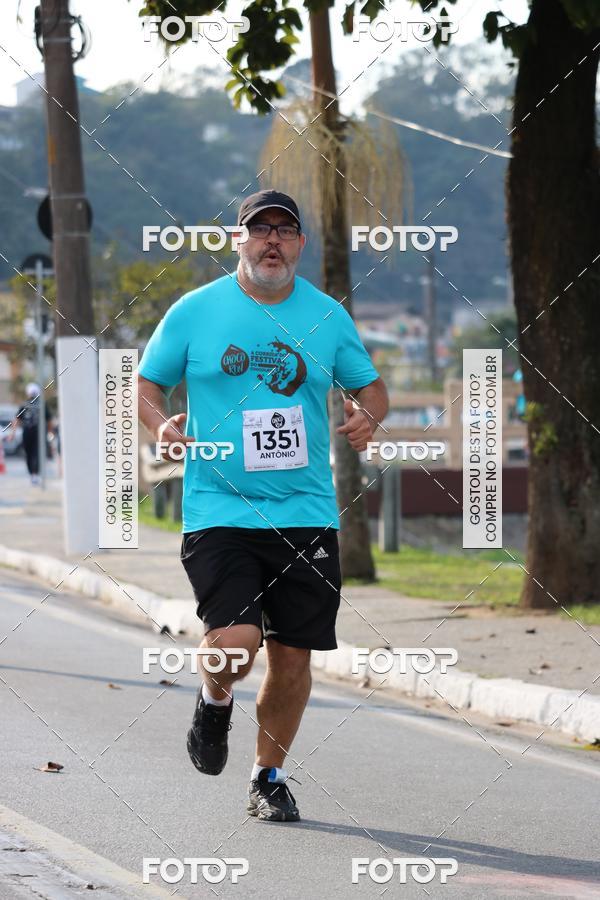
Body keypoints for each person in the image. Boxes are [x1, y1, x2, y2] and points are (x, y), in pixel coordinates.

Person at [137, 189, 389, 822]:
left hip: (305, 512)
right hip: (219, 508)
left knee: (293, 656)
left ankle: (267, 777)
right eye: (259, 230)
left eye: (285, 231)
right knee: (237, 640)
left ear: (300, 245)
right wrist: (161, 425)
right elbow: (145, 383)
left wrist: (369, 417)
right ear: (238, 241)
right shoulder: (195, 311)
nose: (271, 241)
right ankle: (214, 702)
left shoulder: (328, 317)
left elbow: (371, 387)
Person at [10, 383, 50, 485]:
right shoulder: (41, 404)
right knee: (36, 453)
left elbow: (16, 420)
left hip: (28, 432)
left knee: (30, 453)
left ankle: (33, 474)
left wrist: (12, 434)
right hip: (38, 433)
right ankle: (35, 474)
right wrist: (50, 432)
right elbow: (49, 421)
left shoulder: (24, 405)